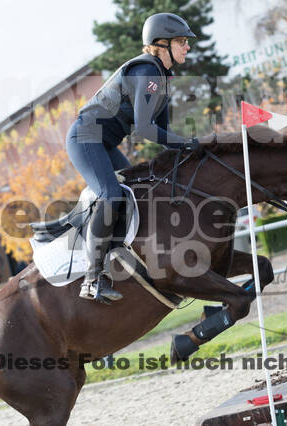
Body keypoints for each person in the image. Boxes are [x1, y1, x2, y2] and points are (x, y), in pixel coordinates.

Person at [66, 13, 199, 303]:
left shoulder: (161, 77)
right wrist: (188, 143)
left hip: (104, 142)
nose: (187, 47)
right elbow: (145, 128)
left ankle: (133, 261)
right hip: (85, 138)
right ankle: (91, 279)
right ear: (160, 44)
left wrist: (189, 154)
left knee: (141, 194)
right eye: (181, 42)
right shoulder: (148, 73)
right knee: (111, 196)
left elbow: (162, 131)